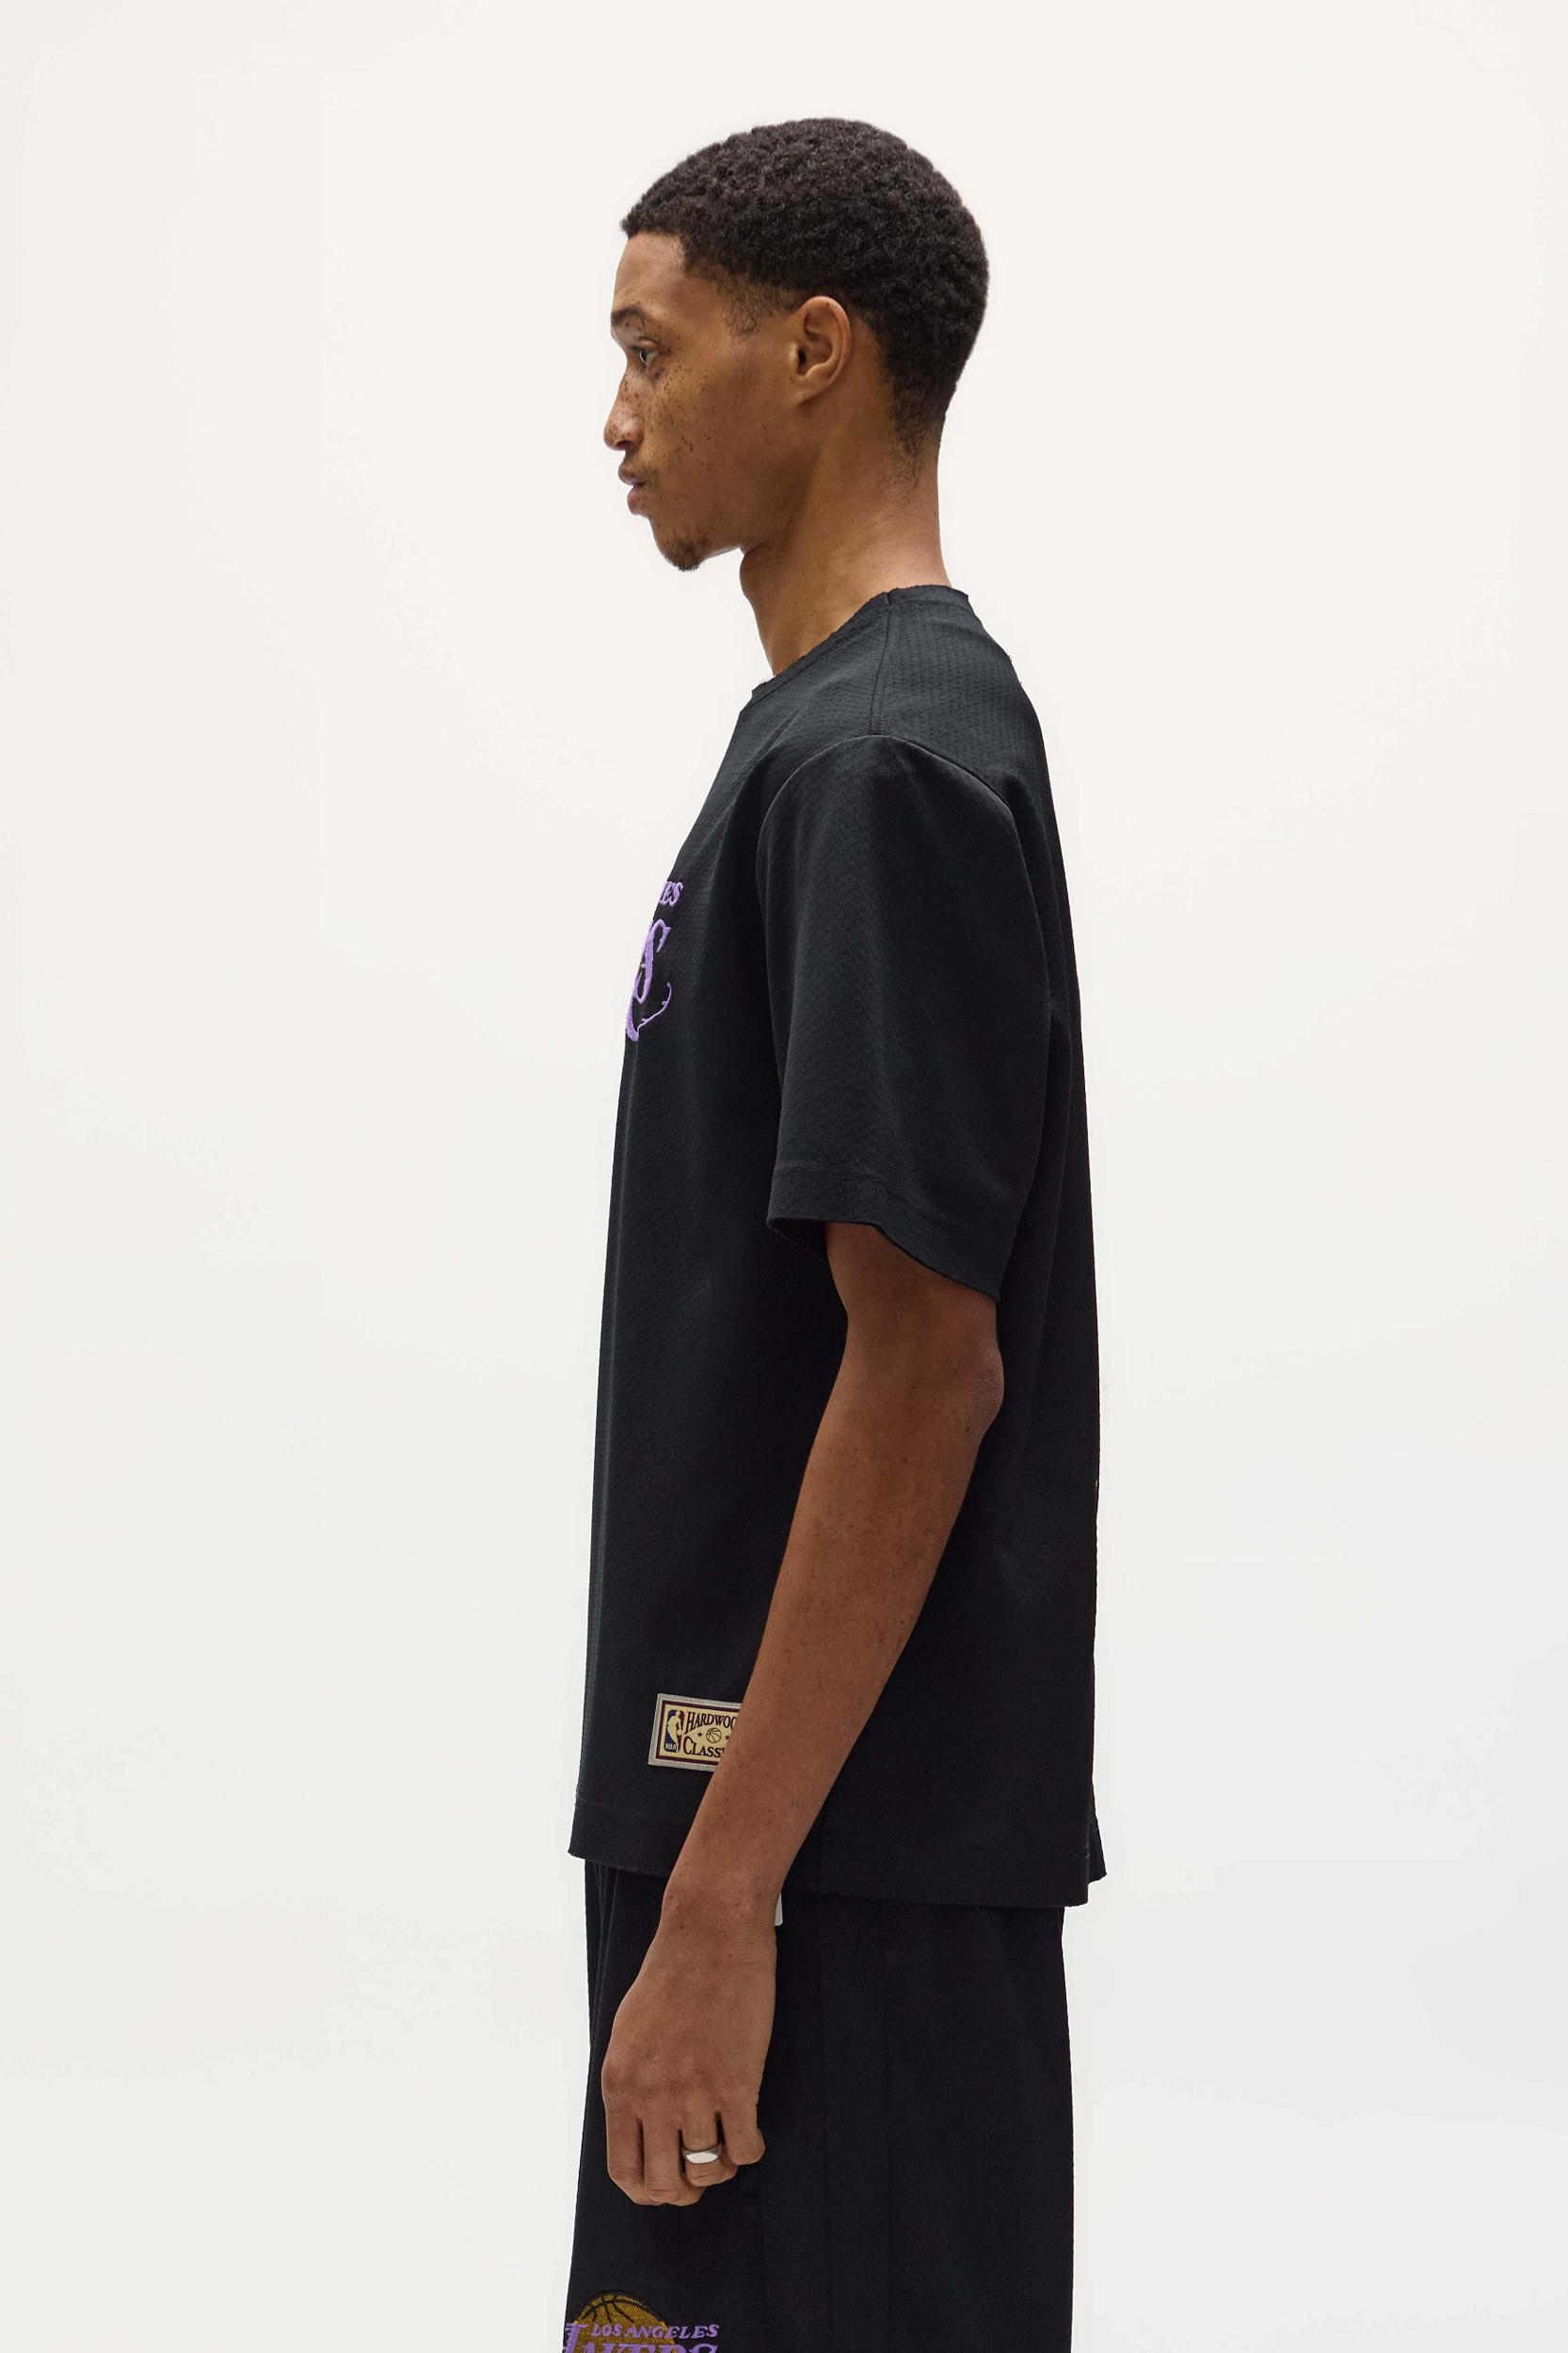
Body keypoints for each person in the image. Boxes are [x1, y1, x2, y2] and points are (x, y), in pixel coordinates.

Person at [562, 115, 1106, 2348]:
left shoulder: (880, 765)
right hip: (778, 1849)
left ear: (810, 351)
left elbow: (922, 1361)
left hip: (822, 1886)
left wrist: (724, 1899)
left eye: (647, 349)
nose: (613, 417)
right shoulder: (822, 744)